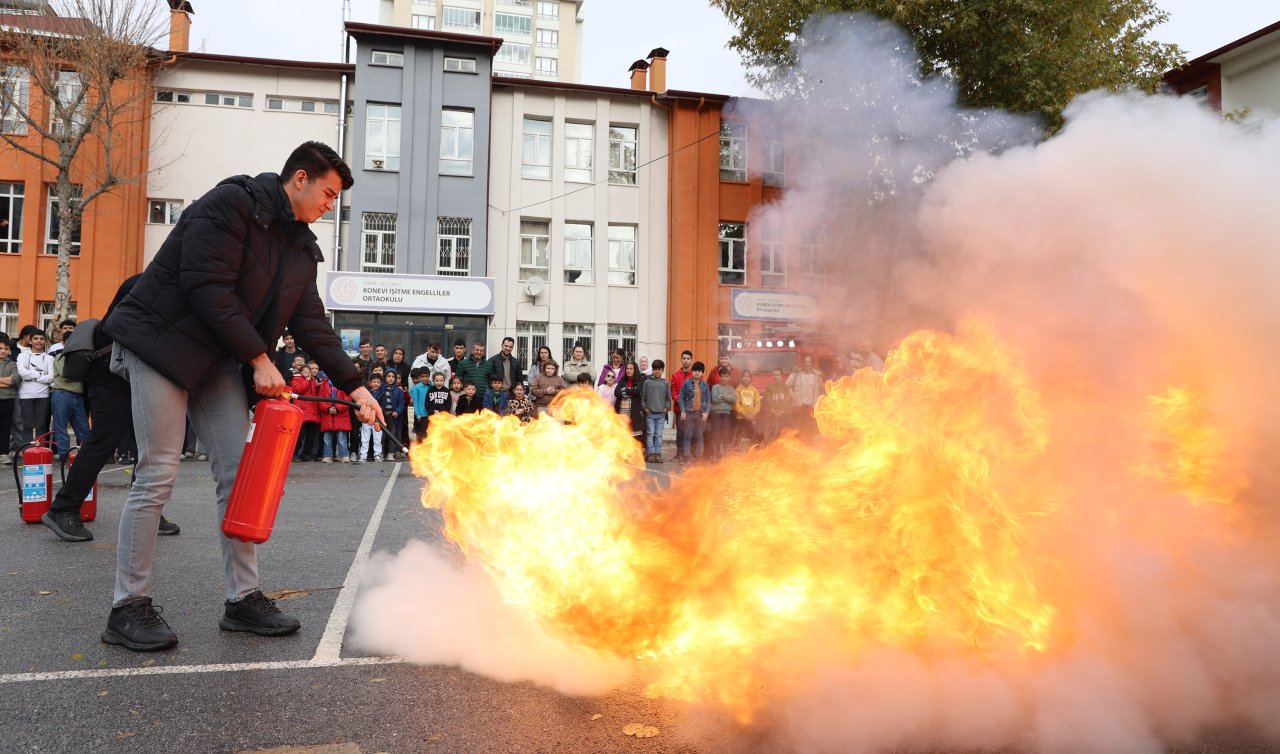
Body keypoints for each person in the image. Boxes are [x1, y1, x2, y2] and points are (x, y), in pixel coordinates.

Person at [98, 141, 382, 652]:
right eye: (329, 193)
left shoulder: (300, 249)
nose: (330, 205)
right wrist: (259, 360)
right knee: (158, 471)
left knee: (239, 474)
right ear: (300, 178)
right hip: (161, 343)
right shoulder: (231, 204)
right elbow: (207, 288)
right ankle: (127, 606)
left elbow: (313, 327)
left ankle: (243, 600)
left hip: (216, 360)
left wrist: (357, 386)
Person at [41, 277, 183, 542]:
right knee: (103, 441)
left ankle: (148, 511)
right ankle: (62, 509)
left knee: (148, 446)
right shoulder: (145, 284)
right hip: (111, 376)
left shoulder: (164, 283)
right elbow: (124, 327)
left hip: (136, 376)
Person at [50, 339, 91, 460]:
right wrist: (82, 373)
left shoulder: (81, 358)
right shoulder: (59, 357)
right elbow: (66, 374)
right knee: (61, 426)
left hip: (78, 396)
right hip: (62, 394)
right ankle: (64, 454)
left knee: (83, 427)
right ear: (63, 343)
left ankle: (86, 454)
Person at [16, 328, 54, 446]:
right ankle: (27, 450)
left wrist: (32, 377)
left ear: (45, 342)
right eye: (36, 338)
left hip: (43, 395)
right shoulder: (22, 356)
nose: (39, 341)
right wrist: (42, 375)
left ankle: (39, 452)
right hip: (25, 395)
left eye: (42, 339)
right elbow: (22, 373)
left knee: (41, 425)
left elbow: (51, 377)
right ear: (30, 341)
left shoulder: (49, 358)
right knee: (26, 425)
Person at [316, 369, 352, 463]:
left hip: (341, 415)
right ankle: (327, 455)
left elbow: (347, 398)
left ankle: (344, 455)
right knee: (327, 438)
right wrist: (328, 409)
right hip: (328, 415)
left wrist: (338, 408)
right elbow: (320, 399)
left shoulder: (344, 384)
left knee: (341, 438)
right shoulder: (324, 384)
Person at [677, 361, 710, 462]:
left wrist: (706, 413)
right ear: (692, 371)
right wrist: (682, 411)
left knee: (699, 435)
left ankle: (699, 456)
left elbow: (708, 400)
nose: (697, 373)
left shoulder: (705, 386)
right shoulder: (687, 383)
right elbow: (681, 397)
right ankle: (686, 456)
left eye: (699, 371)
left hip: (700, 414)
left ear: (702, 372)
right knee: (688, 435)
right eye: (695, 370)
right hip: (689, 413)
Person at [640, 359, 670, 463]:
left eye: (659, 369)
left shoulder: (665, 383)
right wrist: (645, 408)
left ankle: (658, 454)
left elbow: (668, 398)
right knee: (650, 434)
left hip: (661, 414)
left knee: (658, 434)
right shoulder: (647, 382)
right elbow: (643, 398)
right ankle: (651, 454)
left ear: (662, 370)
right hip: (650, 414)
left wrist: (667, 407)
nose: (657, 371)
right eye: (655, 369)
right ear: (652, 370)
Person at [289, 364, 321, 462]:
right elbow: (297, 390)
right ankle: (294, 454)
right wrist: (307, 380)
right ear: (301, 373)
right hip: (302, 410)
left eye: (309, 372)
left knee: (311, 435)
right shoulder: (296, 379)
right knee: (299, 435)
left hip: (312, 411)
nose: (308, 373)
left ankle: (306, 454)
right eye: (305, 372)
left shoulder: (313, 380)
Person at [787, 355, 824, 431]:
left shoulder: (817, 376)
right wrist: (793, 395)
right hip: (799, 407)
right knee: (798, 430)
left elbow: (822, 389)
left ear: (812, 363)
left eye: (809, 362)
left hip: (812, 408)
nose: (807, 364)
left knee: (811, 430)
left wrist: (819, 402)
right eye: (805, 362)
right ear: (803, 363)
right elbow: (787, 386)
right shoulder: (796, 374)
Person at [614, 360, 646, 446]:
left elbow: (637, 391)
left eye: (631, 368)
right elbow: (616, 392)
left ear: (635, 370)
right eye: (627, 368)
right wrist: (630, 391)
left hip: (634, 411)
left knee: (634, 435)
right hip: (622, 412)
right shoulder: (622, 380)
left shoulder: (639, 380)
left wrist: (625, 390)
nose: (629, 370)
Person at [709, 366, 738, 459]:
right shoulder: (715, 387)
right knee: (716, 434)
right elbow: (715, 399)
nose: (724, 378)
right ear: (719, 377)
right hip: (716, 413)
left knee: (725, 434)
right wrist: (727, 398)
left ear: (729, 377)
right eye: (722, 376)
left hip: (727, 414)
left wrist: (723, 396)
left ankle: (724, 455)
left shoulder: (731, 389)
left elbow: (734, 400)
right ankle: (715, 454)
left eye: (726, 376)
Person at [670, 350, 694, 461]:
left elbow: (698, 391)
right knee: (680, 432)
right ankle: (679, 453)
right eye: (684, 358)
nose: (686, 360)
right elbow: (673, 391)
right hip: (679, 409)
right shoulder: (675, 375)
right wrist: (679, 401)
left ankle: (688, 454)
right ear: (681, 360)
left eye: (688, 358)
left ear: (691, 360)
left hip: (691, 409)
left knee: (690, 431)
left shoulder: (696, 375)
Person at [380, 370, 405, 459]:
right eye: (388, 376)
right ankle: (381, 453)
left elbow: (401, 403)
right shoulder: (381, 389)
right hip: (382, 415)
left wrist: (397, 411)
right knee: (382, 435)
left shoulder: (398, 390)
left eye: (393, 377)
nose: (391, 378)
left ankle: (390, 453)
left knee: (392, 435)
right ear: (385, 377)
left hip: (393, 415)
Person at [763, 368, 793, 439]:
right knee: (771, 434)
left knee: (783, 434)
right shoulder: (769, 387)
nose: (775, 377)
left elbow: (787, 400)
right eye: (774, 375)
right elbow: (769, 399)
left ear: (781, 376)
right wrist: (773, 410)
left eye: (777, 375)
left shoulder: (786, 387)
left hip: (783, 415)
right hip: (772, 415)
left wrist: (782, 410)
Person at [735, 369, 762, 445]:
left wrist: (753, 414)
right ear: (741, 378)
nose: (746, 378)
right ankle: (736, 453)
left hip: (751, 419)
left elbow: (758, 403)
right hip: (741, 419)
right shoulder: (738, 390)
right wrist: (745, 414)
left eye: (748, 376)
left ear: (750, 378)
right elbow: (737, 405)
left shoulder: (754, 390)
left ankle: (755, 453)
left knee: (755, 437)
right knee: (737, 437)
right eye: (744, 376)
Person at [0, 341, 16, 465]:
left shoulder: (13, 365)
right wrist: (5, 382)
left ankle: (4, 453)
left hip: (7, 400)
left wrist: (8, 381)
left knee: (5, 427)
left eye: (6, 348)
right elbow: (7, 381)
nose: (3, 351)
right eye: (0, 348)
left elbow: (13, 381)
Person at [409, 370, 432, 443]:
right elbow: (415, 402)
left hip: (431, 414)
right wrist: (418, 414)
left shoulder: (432, 386)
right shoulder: (416, 388)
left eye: (426, 376)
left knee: (431, 434)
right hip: (422, 415)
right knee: (422, 435)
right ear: (420, 377)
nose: (425, 378)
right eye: (423, 377)